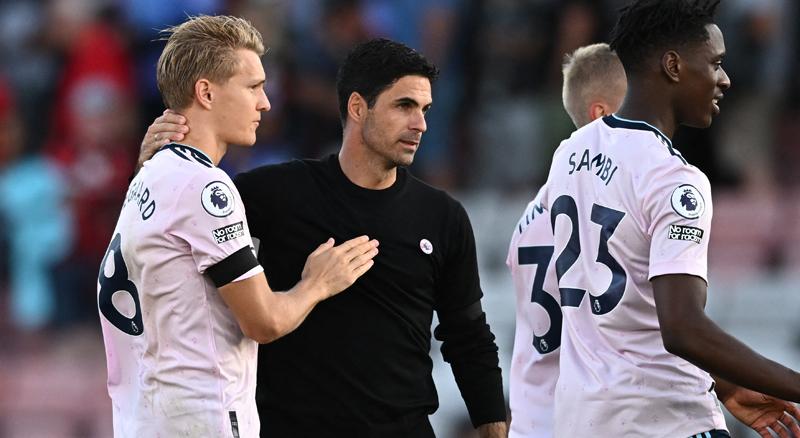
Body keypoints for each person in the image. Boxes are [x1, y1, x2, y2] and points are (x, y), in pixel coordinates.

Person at [140, 38, 507, 438]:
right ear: (357, 107)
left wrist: (493, 426)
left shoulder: (443, 217)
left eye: (425, 109)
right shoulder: (274, 193)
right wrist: (154, 165)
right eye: (404, 106)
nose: (420, 124)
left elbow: (468, 336)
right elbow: (174, 221)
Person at [529, 1, 800, 437]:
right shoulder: (674, 178)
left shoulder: (570, 153)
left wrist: (726, 381)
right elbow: (683, 329)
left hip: (583, 419)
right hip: (665, 420)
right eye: (714, 63)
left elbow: (632, 313)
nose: (724, 79)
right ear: (673, 66)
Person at [99, 15, 378, 437]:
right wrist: (318, 283)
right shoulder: (206, 185)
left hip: (145, 419)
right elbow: (262, 322)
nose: (266, 102)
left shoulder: (150, 171)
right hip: (202, 418)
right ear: (206, 93)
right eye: (253, 87)